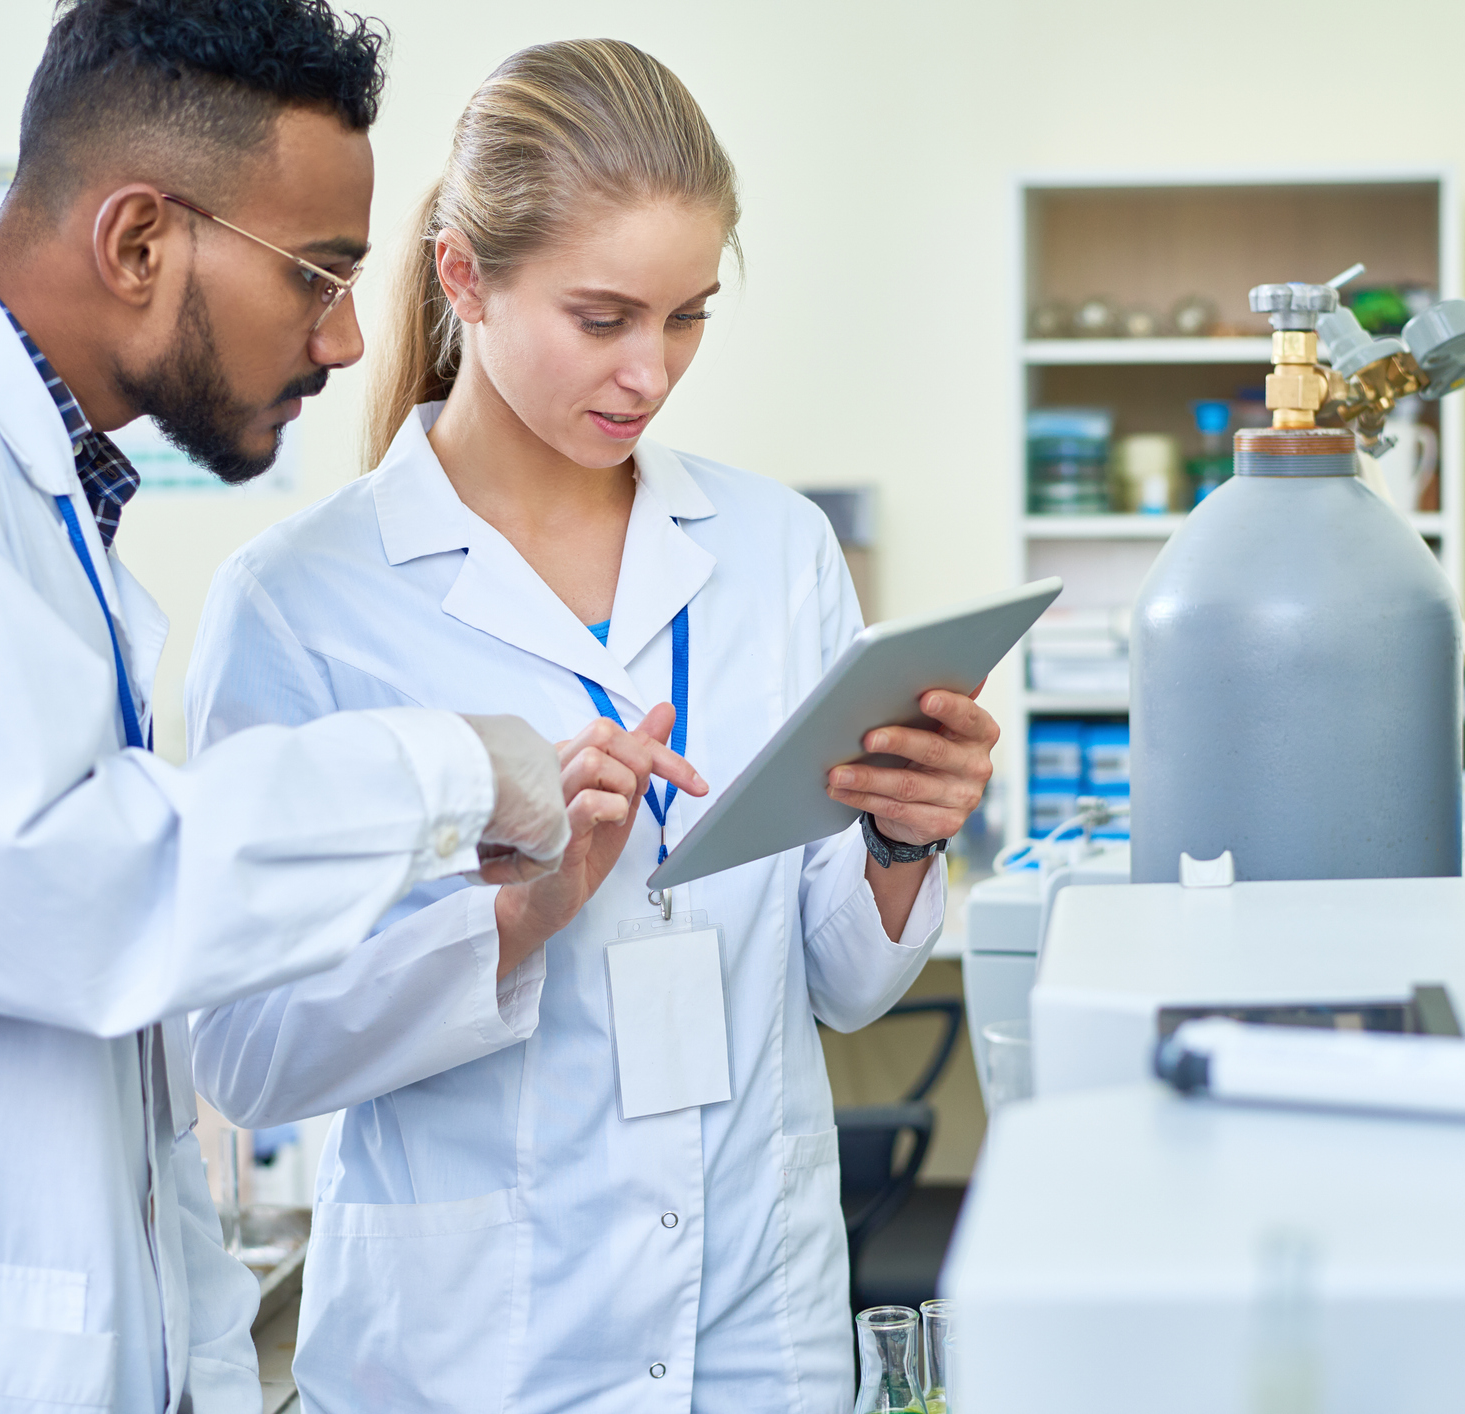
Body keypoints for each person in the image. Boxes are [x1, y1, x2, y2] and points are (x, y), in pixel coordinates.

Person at [0, 2, 626, 1409]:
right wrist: (457, 773)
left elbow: (131, 1062)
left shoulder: (47, 506)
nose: (352, 338)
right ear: (137, 243)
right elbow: (29, 884)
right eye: (320, 276)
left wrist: (208, 1367)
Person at [186, 38, 1000, 1413]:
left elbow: (845, 985)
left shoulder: (771, 550)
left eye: (687, 317)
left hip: (756, 1330)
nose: (651, 372)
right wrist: (515, 919)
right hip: (468, 1358)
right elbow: (247, 1058)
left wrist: (904, 838)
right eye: (604, 316)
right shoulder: (303, 603)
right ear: (465, 279)